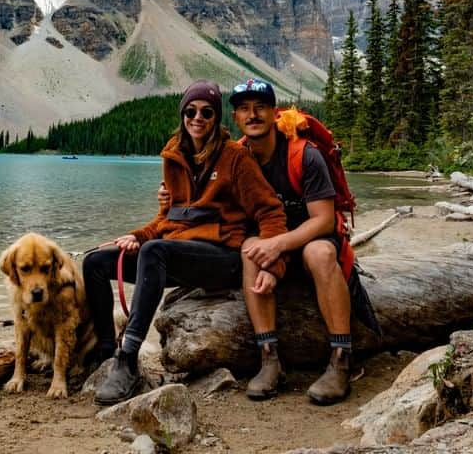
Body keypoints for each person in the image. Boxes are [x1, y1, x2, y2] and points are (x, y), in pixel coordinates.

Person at [83, 80, 288, 406]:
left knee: (155, 251)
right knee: (95, 263)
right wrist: (137, 236)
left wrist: (273, 265)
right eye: (191, 111)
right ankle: (107, 353)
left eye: (207, 112)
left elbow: (271, 213)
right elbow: (170, 218)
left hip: (225, 256)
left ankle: (128, 359)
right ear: (183, 114)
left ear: (217, 118)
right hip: (178, 253)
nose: (198, 118)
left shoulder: (235, 158)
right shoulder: (175, 154)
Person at [230, 77, 364, 404]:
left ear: (274, 112)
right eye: (244, 109)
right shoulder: (237, 158)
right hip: (274, 243)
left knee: (318, 253)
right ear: (235, 118)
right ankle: (269, 359)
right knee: (250, 250)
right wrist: (168, 200)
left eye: (260, 107)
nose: (253, 115)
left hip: (311, 238)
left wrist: (277, 246)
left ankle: (341, 360)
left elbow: (322, 219)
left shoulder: (303, 155)